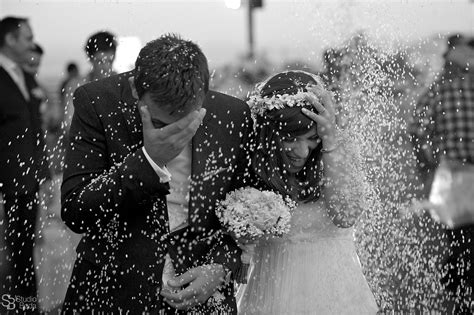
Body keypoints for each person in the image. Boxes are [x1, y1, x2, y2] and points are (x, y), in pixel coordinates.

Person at [61, 33, 252, 314]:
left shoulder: (232, 114)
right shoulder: (97, 101)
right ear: (135, 90)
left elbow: (244, 207)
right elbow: (76, 210)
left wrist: (221, 266)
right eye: (161, 122)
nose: (176, 134)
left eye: (187, 122)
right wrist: (148, 160)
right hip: (113, 289)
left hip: (204, 294)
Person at [237, 70, 378, 314]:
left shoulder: (338, 150)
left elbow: (345, 215)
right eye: (291, 138)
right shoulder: (251, 162)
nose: (302, 152)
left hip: (336, 299)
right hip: (268, 298)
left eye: (312, 138)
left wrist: (330, 143)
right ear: (269, 133)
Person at [411, 35, 474, 313]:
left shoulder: (439, 89)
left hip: (454, 173)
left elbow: (415, 127)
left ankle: (459, 290)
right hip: (460, 174)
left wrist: (426, 161)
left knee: (459, 237)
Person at [0, 16, 50, 312]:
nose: (32, 43)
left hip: (26, 180)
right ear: (10, 40)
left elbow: (34, 126)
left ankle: (26, 306)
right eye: (27, 37)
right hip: (8, 180)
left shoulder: (25, 75)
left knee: (23, 251)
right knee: (16, 253)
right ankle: (22, 305)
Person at [62, 31, 117, 134]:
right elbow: (68, 125)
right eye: (100, 62)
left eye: (109, 61)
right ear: (90, 59)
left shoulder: (124, 85)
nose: (106, 68)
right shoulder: (76, 87)